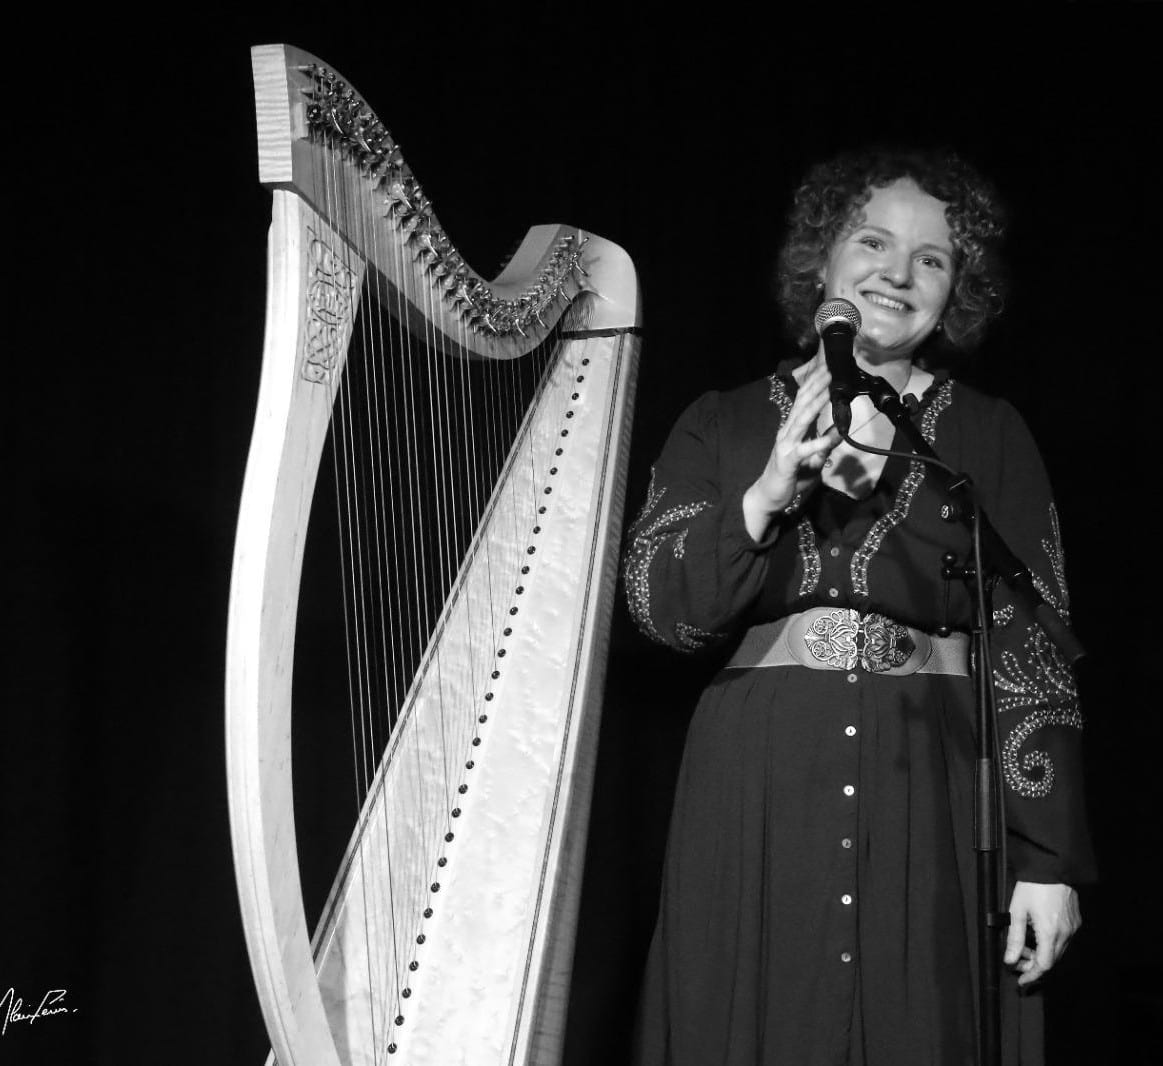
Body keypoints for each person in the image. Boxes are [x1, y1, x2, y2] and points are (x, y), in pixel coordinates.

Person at [624, 147, 1095, 1065]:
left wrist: (1046, 860)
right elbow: (659, 609)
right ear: (823, 263)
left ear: (956, 290)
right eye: (872, 242)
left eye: (932, 259)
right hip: (761, 772)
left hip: (936, 769)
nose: (898, 272)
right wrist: (762, 495)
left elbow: (1032, 650)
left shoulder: (986, 433)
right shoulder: (723, 420)